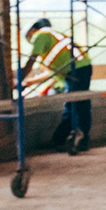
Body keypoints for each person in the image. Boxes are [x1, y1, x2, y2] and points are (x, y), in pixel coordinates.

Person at [21, 18, 93, 154]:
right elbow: (49, 74)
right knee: (80, 103)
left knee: (73, 105)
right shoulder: (55, 40)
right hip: (82, 67)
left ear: (32, 31)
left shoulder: (41, 35)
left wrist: (21, 79)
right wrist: (28, 82)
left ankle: (65, 139)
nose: (32, 41)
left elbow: (31, 60)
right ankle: (76, 140)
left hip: (75, 70)